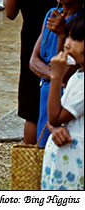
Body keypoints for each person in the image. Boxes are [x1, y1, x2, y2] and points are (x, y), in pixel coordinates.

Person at [6, 0, 57, 144]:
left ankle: (32, 166)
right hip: (62, 32)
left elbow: (10, 12)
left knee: (32, 109)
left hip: (31, 36)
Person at [30, 0, 84, 146]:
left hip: (67, 98)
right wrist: (54, 75)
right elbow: (33, 61)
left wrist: (63, 34)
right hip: (48, 91)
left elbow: (70, 73)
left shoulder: (79, 25)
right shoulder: (51, 15)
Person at [41, 14, 84, 190]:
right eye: (67, 37)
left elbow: (55, 117)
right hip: (65, 162)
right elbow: (55, 119)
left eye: (75, 39)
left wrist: (56, 76)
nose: (66, 44)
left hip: (75, 163)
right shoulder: (78, 76)